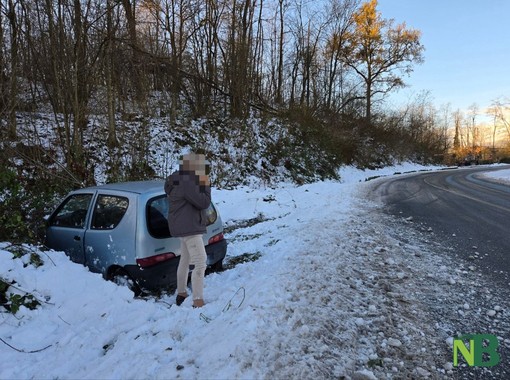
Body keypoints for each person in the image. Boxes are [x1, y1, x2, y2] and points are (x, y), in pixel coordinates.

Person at [165, 153, 211, 308]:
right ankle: (198, 300)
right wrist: (205, 183)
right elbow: (204, 202)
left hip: (181, 226)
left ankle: (181, 293)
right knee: (200, 261)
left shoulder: (176, 179)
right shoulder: (187, 181)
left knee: (184, 260)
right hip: (189, 228)